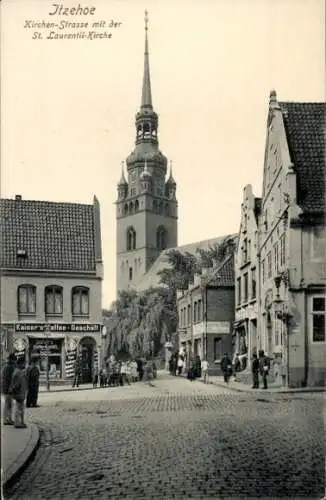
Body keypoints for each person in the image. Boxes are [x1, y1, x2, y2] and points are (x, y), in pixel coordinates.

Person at [10, 356, 27, 428]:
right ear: (20, 364)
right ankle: (18, 423)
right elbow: (16, 385)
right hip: (19, 394)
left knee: (20, 409)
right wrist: (17, 393)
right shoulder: (17, 372)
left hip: (21, 393)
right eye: (24, 364)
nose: (25, 365)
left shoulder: (19, 372)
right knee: (18, 409)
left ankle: (20, 422)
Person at [2, 353, 16, 425]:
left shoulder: (7, 366)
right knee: (8, 404)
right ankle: (7, 419)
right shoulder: (9, 367)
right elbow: (9, 379)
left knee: (8, 404)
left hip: (6, 388)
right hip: (8, 389)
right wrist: (10, 388)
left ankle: (7, 419)